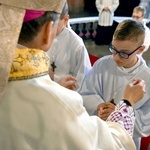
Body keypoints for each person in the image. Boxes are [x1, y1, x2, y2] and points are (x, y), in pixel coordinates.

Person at [0, 1, 146, 149]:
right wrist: (126, 104)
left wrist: (54, 87)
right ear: (47, 32)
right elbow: (113, 145)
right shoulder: (60, 104)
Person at [79, 19, 150, 149]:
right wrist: (98, 105)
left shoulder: (147, 78)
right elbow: (85, 93)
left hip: (124, 142)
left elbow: (146, 122)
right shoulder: (102, 64)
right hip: (97, 132)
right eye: (113, 49)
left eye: (124, 53)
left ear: (140, 49)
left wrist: (118, 114)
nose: (116, 57)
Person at [47, 2, 92, 90]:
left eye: (53, 24)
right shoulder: (42, 37)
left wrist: (54, 79)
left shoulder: (76, 44)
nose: (48, 29)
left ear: (65, 19)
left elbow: (82, 81)